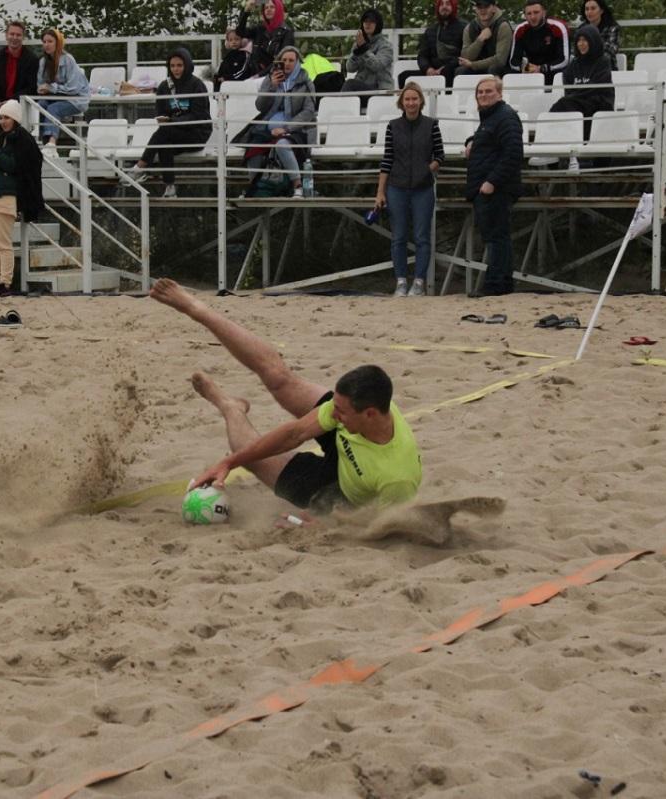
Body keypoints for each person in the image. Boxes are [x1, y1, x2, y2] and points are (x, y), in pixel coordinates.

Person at [149, 278, 422, 513]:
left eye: (341, 410)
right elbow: (294, 435)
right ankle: (197, 309)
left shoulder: (397, 477)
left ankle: (229, 406)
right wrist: (229, 463)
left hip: (337, 490)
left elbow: (379, 523)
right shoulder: (348, 410)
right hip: (349, 443)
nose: (333, 412)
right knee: (281, 380)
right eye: (334, 405)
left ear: (370, 413)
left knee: (253, 459)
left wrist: (323, 521)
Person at [375, 82, 445, 297]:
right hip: (397, 187)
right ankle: (401, 281)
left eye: (414, 99)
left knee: (422, 236)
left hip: (423, 188)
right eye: (407, 99)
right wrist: (380, 191)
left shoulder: (431, 124)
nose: (411, 102)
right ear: (402, 102)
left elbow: (440, 156)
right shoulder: (392, 126)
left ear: (421, 101)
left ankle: (419, 282)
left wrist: (427, 169)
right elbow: (387, 160)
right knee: (399, 236)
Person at [0, 99, 44, 296]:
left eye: (6, 117)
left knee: (3, 244)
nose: (3, 121)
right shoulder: (0, 137)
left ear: (15, 118)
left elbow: (12, 165)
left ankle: (5, 283)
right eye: (1, 118)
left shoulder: (23, 140)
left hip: (5, 196)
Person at [464, 76, 523, 296]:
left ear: (499, 93)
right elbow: (488, 139)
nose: (483, 95)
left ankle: (496, 285)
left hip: (495, 189)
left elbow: (513, 153)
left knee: (497, 238)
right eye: (480, 92)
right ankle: (502, 284)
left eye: (488, 91)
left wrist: (491, 182)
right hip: (488, 187)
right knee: (496, 237)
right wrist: (470, 141)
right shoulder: (492, 118)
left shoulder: (505, 117)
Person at [128, 48, 211, 198]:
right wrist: (166, 120)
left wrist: (173, 121)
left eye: (179, 65)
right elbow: (161, 113)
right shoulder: (164, 86)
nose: (176, 69)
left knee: (164, 134)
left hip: (197, 133)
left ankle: (141, 166)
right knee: (164, 142)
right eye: (172, 66)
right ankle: (169, 187)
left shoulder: (197, 85)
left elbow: (199, 117)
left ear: (186, 65)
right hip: (173, 133)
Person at [238, 46, 316, 198]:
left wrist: (286, 128)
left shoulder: (306, 82)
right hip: (269, 127)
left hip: (297, 129)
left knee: (282, 145)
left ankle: (297, 186)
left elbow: (308, 112)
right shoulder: (270, 78)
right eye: (284, 60)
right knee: (253, 147)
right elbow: (260, 106)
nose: (287, 64)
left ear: (298, 62)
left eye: (291, 60)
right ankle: (254, 187)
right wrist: (271, 87)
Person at [549, 23, 613, 165]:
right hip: (578, 104)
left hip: (599, 103)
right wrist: (579, 95)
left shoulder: (603, 62)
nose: (581, 44)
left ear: (593, 41)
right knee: (561, 106)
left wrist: (577, 94)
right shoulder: (574, 65)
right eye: (579, 40)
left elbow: (597, 88)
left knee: (563, 104)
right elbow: (568, 87)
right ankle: (551, 152)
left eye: (585, 40)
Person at [35, 28, 90, 149]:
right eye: (44, 42)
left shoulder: (68, 59)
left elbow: (73, 88)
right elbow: (40, 84)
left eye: (50, 41)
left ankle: (51, 143)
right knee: (40, 105)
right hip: (55, 97)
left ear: (58, 42)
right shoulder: (43, 62)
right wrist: (42, 89)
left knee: (53, 108)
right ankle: (38, 141)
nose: (46, 45)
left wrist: (50, 88)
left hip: (76, 99)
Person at [397, 0, 467, 89]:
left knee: (448, 72)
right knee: (404, 76)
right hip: (432, 71)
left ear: (453, 7)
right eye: (441, 4)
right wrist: (428, 69)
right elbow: (422, 56)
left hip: (452, 69)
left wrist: (444, 68)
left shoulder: (464, 28)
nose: (444, 7)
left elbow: (465, 55)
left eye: (448, 4)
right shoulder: (431, 30)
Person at [509, 1, 571, 85]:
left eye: (536, 12)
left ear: (544, 12)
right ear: (525, 15)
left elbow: (564, 60)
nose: (533, 17)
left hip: (554, 73)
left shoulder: (557, 27)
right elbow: (513, 61)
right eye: (529, 14)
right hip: (531, 74)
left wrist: (542, 68)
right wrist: (524, 68)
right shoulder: (520, 30)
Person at [342, 8, 394, 105]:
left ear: (378, 24)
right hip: (362, 88)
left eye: (372, 21)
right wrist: (357, 51)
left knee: (350, 84)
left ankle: (340, 113)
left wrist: (363, 49)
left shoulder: (386, 45)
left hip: (380, 90)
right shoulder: (359, 43)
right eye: (365, 21)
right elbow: (350, 68)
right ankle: (342, 114)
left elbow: (377, 66)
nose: (367, 24)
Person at [236, 0, 295, 78]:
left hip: (273, 77)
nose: (268, 9)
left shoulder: (287, 32)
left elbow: (281, 61)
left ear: (279, 9)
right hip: (254, 75)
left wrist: (259, 75)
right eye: (266, 8)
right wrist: (246, 11)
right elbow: (240, 32)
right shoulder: (260, 29)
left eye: (272, 7)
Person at [455, 0, 513, 78]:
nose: (482, 10)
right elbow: (465, 57)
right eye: (479, 7)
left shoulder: (503, 26)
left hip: (501, 69)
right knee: (460, 71)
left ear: (494, 8)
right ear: (475, 9)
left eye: (486, 7)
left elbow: (500, 60)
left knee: (494, 69)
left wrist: (473, 64)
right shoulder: (469, 28)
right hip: (478, 68)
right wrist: (480, 40)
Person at [0, 20, 39, 105]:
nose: (14, 37)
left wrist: (11, 101)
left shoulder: (31, 59)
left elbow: (31, 87)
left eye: (18, 35)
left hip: (21, 103)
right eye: (12, 34)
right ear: (6, 36)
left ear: (23, 37)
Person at [581, 0, 621, 71]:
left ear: (601, 11)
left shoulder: (612, 27)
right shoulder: (581, 28)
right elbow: (576, 51)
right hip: (584, 68)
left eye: (593, 8)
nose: (589, 12)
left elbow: (610, 50)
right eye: (587, 9)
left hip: (606, 68)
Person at [213, 28, 255, 92]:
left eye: (237, 39)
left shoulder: (245, 54)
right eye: (231, 40)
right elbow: (221, 70)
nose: (234, 42)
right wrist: (217, 78)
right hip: (225, 87)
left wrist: (227, 78)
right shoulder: (228, 56)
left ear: (243, 40)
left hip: (238, 87)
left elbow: (243, 71)